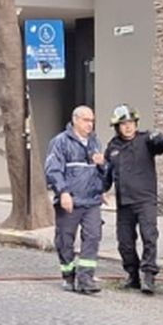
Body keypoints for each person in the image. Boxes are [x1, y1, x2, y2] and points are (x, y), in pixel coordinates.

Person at [103, 104, 163, 293]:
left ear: (136, 124)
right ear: (117, 127)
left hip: (145, 200)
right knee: (125, 242)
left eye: (131, 123)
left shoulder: (146, 140)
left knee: (149, 237)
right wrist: (100, 190)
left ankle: (148, 276)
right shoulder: (112, 147)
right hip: (124, 203)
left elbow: (160, 140)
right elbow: (107, 173)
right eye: (123, 124)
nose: (128, 127)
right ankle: (132, 275)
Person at [45, 105, 107, 294]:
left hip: (91, 201)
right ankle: (68, 275)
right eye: (86, 120)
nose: (90, 124)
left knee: (93, 236)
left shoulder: (95, 142)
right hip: (70, 200)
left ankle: (86, 278)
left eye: (92, 120)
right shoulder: (60, 142)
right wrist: (63, 192)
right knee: (65, 239)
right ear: (75, 120)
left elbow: (101, 171)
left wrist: (102, 173)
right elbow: (53, 169)